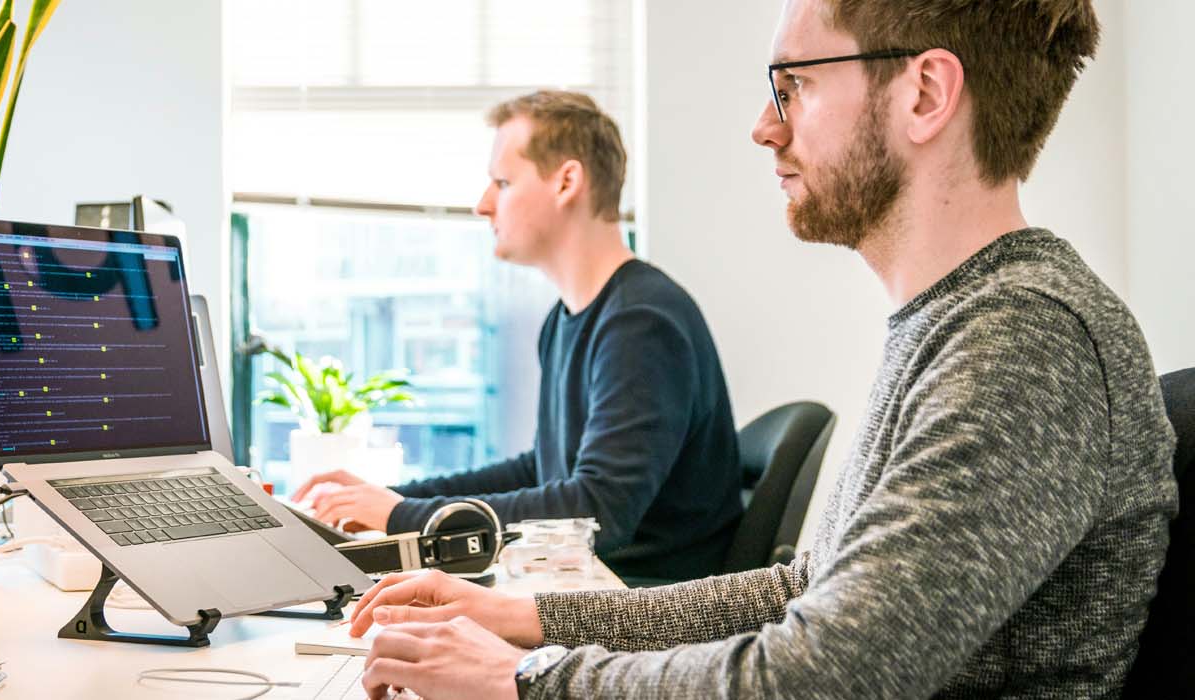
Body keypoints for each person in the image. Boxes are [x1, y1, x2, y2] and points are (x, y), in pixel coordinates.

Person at [343, 1, 1181, 698]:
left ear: (924, 92)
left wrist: (531, 679)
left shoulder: (1023, 341)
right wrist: (527, 620)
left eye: (794, 87)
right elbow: (803, 591)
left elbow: (824, 677)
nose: (762, 127)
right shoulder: (956, 322)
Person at [294, 91, 743, 583]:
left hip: (641, 605)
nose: (483, 205)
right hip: (590, 586)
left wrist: (403, 518)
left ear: (567, 182)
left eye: (503, 182)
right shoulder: (569, 319)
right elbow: (543, 470)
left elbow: (597, 512)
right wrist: (398, 499)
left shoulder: (642, 323)